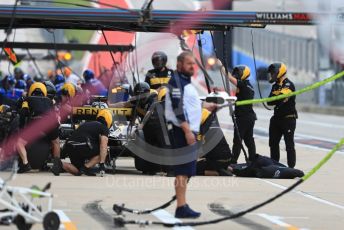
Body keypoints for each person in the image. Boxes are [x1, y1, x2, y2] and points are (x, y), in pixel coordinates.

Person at [165, 51, 217, 218]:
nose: (192, 67)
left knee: (186, 171)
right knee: (182, 171)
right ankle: (181, 207)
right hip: (182, 131)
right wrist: (187, 131)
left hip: (187, 130)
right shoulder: (177, 82)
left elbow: (188, 104)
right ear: (179, 64)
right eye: (189, 64)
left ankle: (182, 204)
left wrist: (206, 106)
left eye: (193, 64)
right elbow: (177, 108)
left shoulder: (184, 82)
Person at [52, 109, 112, 176]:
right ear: (109, 120)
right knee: (105, 151)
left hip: (69, 145)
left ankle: (60, 164)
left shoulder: (87, 123)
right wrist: (102, 164)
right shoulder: (103, 127)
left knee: (77, 171)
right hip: (82, 145)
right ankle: (86, 167)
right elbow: (103, 146)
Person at [16, 82, 60, 173]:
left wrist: (21, 127)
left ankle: (25, 164)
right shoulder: (49, 101)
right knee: (56, 142)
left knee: (19, 143)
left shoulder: (27, 100)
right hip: (50, 123)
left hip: (36, 123)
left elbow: (23, 113)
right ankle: (57, 165)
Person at [221, 65, 257, 163]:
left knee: (237, 140)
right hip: (249, 117)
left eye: (238, 73)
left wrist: (223, 68)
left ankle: (233, 162)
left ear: (244, 74)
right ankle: (252, 160)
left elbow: (231, 79)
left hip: (243, 118)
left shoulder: (244, 84)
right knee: (249, 140)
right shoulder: (249, 85)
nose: (236, 75)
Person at [267, 62, 297, 168]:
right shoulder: (275, 86)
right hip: (276, 118)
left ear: (280, 72)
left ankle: (291, 168)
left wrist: (277, 96)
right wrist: (278, 96)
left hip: (288, 119)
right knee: (273, 143)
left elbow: (279, 97)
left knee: (289, 145)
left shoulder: (289, 84)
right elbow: (269, 102)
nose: (271, 75)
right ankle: (275, 166)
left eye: (273, 73)